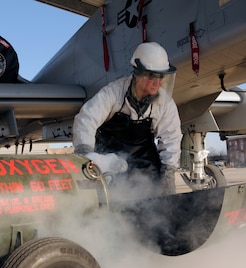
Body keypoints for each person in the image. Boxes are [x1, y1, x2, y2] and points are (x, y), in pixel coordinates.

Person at [73, 42, 182, 196]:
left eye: (161, 76)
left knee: (153, 210)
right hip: (110, 162)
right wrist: (85, 153)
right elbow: (86, 119)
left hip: (145, 165)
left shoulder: (166, 104)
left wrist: (168, 173)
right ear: (138, 73)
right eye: (153, 76)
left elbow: (171, 138)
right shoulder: (113, 93)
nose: (158, 83)